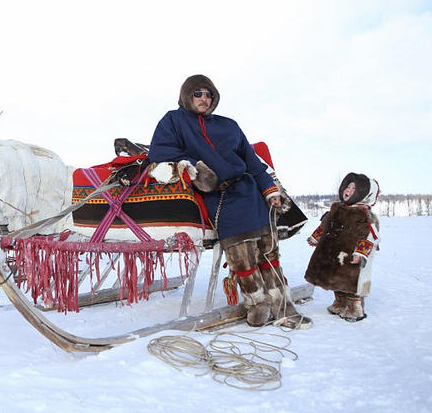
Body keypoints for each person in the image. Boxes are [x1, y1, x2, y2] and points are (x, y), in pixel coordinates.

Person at [148, 74, 311, 329]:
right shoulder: (173, 120)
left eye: (208, 94)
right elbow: (159, 151)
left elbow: (251, 160)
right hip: (218, 194)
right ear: (187, 96)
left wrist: (269, 188)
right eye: (198, 93)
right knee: (241, 252)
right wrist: (195, 167)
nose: (204, 98)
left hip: (248, 188)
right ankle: (257, 303)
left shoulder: (229, 125)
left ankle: (283, 305)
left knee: (269, 250)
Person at [305, 173, 380, 322]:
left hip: (352, 255)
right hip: (334, 252)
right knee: (334, 277)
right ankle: (340, 303)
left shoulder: (364, 214)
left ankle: (355, 308)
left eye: (354, 189)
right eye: (348, 186)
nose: (349, 190)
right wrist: (315, 237)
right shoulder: (337, 208)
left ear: (365, 194)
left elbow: (369, 235)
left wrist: (360, 253)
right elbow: (325, 225)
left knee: (351, 280)